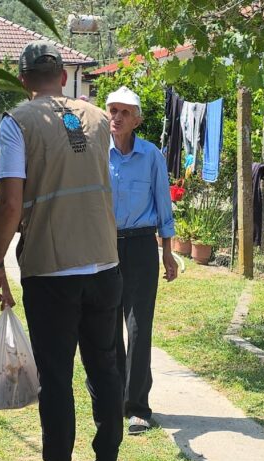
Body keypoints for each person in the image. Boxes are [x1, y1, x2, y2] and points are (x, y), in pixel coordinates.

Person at [0, 41, 124, 461]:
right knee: (104, 367)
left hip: (52, 266)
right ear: (63, 76)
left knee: (57, 377)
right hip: (105, 261)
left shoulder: (16, 123)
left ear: (23, 80)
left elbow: (9, 202)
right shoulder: (101, 119)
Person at [105, 87, 178, 435]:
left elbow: (163, 204)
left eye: (123, 112)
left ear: (136, 119)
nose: (116, 117)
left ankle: (137, 406)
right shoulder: (96, 155)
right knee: (107, 326)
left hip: (140, 247)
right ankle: (116, 396)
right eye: (112, 110)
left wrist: (168, 251)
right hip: (104, 247)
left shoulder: (151, 156)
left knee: (138, 326)